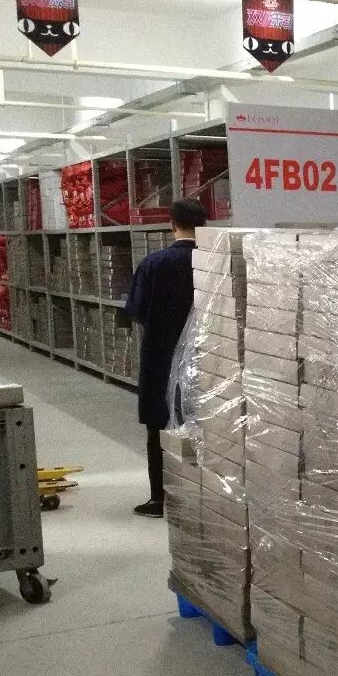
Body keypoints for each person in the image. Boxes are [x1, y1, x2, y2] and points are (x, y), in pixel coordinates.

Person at [125, 198, 204, 517]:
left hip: (161, 357)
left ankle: (161, 499)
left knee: (159, 427)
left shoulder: (154, 264)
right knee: (206, 425)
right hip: (208, 359)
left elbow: (136, 310)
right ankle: (205, 496)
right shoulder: (213, 261)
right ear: (204, 225)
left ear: (172, 225)